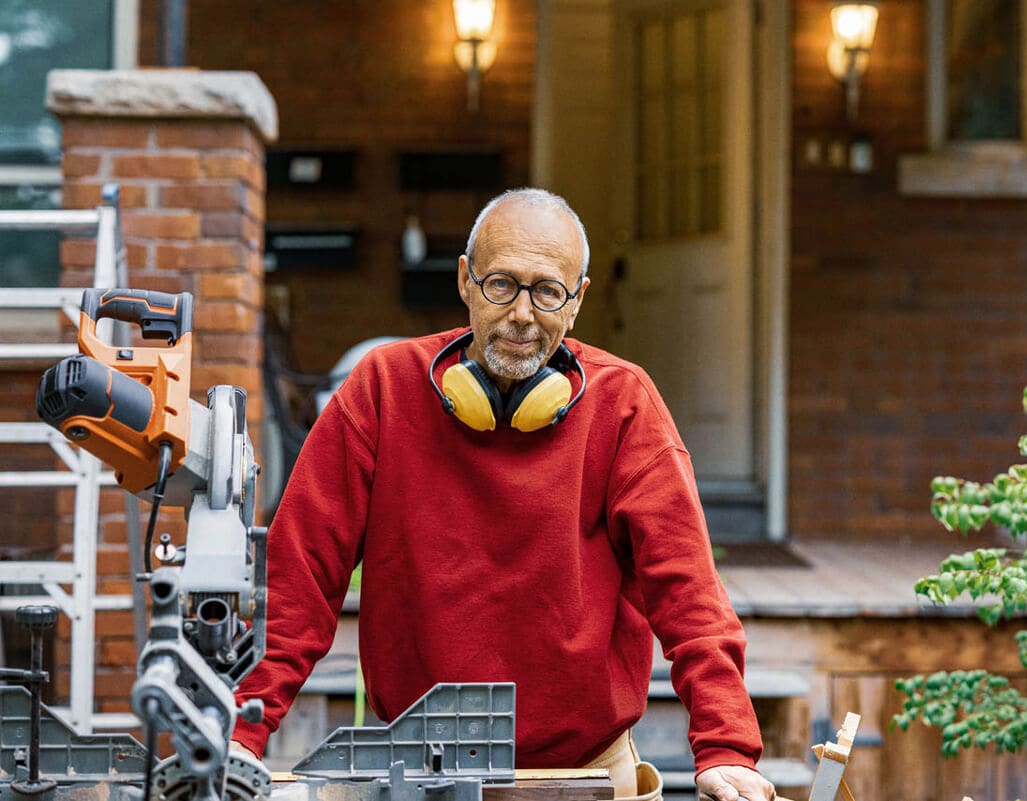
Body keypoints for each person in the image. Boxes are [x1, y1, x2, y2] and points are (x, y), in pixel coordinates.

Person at [233, 188, 775, 801]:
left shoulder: (624, 405)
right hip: (416, 775)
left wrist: (726, 743)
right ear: (465, 281)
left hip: (586, 777)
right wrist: (240, 733)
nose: (522, 313)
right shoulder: (381, 392)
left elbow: (687, 590)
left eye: (547, 291)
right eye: (501, 285)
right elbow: (298, 579)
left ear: (577, 302)